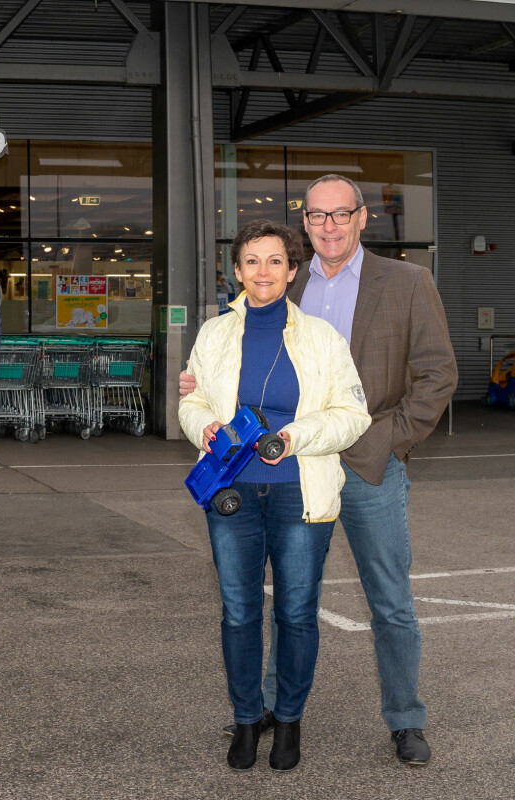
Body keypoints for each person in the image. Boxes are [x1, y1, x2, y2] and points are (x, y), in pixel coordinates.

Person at [182, 174, 457, 766]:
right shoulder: (282, 278)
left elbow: (438, 375)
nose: (329, 225)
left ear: (363, 218)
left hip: (368, 461)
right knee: (291, 596)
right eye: (317, 216)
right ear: (304, 224)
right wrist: (198, 390)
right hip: (291, 470)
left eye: (341, 214)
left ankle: (405, 718)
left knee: (388, 599)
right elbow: (230, 360)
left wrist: (392, 442)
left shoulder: (409, 282)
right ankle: (276, 715)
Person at [180, 220, 371, 771]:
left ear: (292, 270)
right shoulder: (214, 334)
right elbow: (191, 403)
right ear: (236, 271)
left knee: (296, 612)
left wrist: (294, 438)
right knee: (239, 612)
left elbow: (352, 415)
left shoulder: (322, 338)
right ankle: (246, 720)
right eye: (251, 261)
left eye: (275, 261)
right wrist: (206, 428)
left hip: (300, 494)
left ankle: (288, 721)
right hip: (231, 493)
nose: (263, 271)